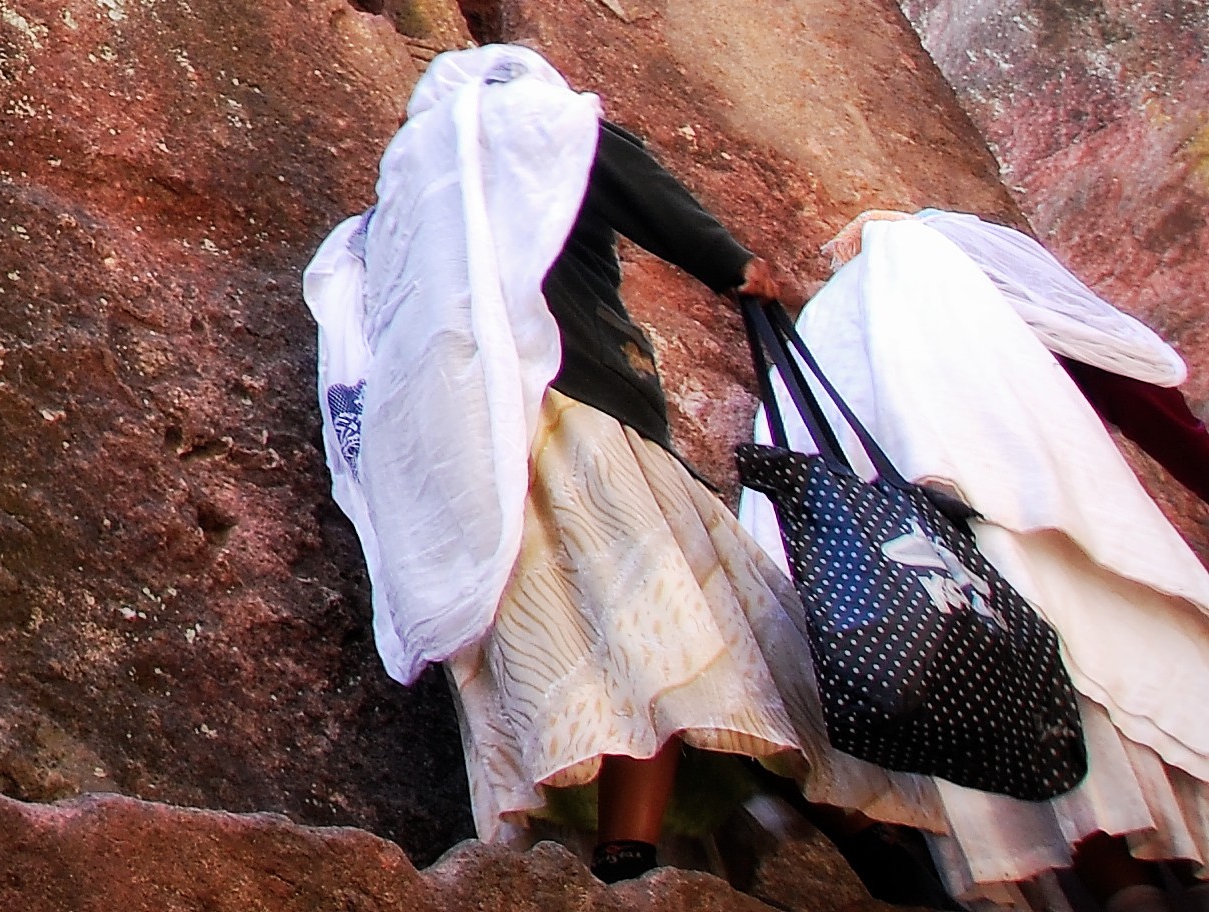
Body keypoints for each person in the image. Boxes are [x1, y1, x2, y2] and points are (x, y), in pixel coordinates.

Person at [308, 47, 941, 880]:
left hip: (471, 470)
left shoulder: (392, 220)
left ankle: (745, 835)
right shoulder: (537, 125)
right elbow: (618, 171)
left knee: (582, 645)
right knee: (672, 628)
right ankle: (672, 852)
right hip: (582, 420)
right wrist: (735, 266)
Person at [785, 212, 1209, 912]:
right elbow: (1146, 403)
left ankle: (1118, 882)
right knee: (1112, 678)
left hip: (930, 572)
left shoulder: (837, 329)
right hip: (1044, 526)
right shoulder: (958, 293)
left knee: (1027, 712)